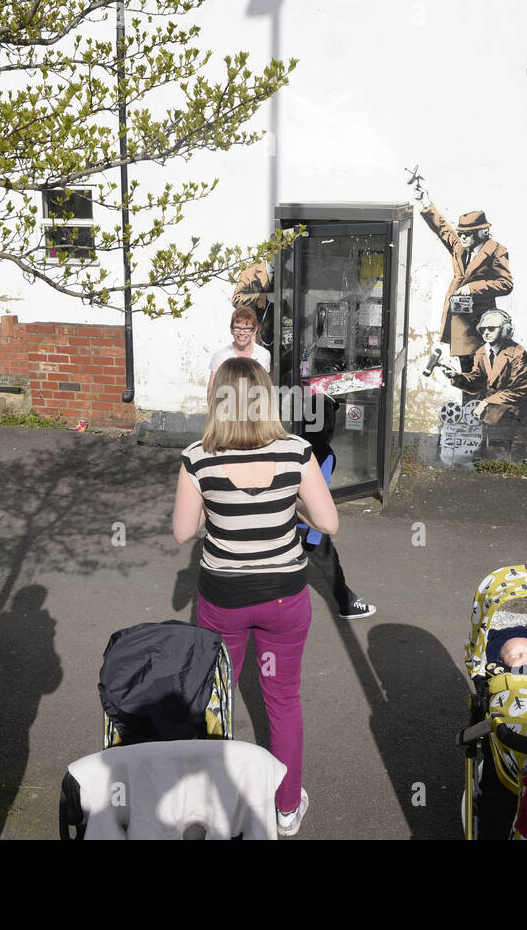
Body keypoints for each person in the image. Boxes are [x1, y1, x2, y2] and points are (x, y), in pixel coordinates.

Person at [173, 356, 338, 836]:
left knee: (214, 697)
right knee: (283, 699)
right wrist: (294, 511)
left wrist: (211, 508)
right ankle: (286, 808)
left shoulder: (197, 457)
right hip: (285, 596)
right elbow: (327, 523)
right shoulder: (296, 452)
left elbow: (184, 533)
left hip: (223, 597)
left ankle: (216, 800)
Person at [413, 180, 513, 372]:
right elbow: (443, 229)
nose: (463, 237)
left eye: (467, 234)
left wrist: (473, 288)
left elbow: (506, 284)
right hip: (460, 324)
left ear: (481, 233)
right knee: (467, 375)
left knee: (482, 375)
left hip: (481, 325)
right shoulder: (460, 248)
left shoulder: (497, 251)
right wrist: (426, 202)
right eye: (461, 233)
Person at [297, 393, 377, 620]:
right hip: (309, 522)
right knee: (331, 564)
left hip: (286, 518)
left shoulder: (295, 442)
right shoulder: (324, 453)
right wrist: (314, 536)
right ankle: (347, 605)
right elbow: (318, 496)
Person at [446, 309, 527, 431]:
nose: (486, 333)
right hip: (493, 414)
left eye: (491, 328)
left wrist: (486, 402)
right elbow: (477, 381)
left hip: (517, 414)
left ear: (505, 330)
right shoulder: (481, 352)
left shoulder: (517, 353)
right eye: (483, 329)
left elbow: (519, 390)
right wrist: (456, 376)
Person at [207, 306, 271, 398]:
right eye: (237, 328)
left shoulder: (263, 355)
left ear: (254, 331)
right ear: (231, 330)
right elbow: (211, 391)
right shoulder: (221, 356)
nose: (242, 333)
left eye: (247, 329)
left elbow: (264, 389)